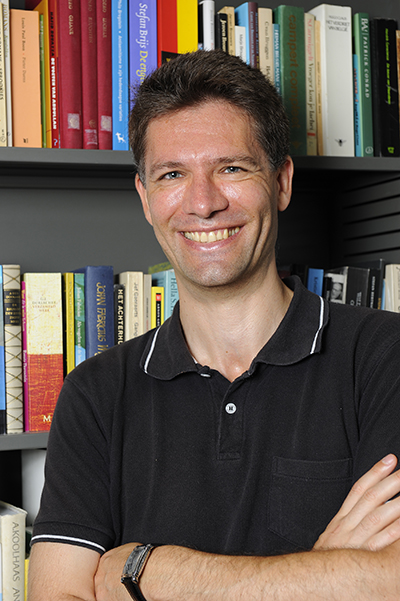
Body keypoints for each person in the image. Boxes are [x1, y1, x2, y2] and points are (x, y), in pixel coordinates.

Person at [28, 50, 400, 601]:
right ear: (146, 199)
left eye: (231, 167)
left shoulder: (384, 356)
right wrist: (328, 573)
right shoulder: (96, 392)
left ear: (281, 182)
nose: (203, 203)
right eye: (172, 174)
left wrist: (155, 571)